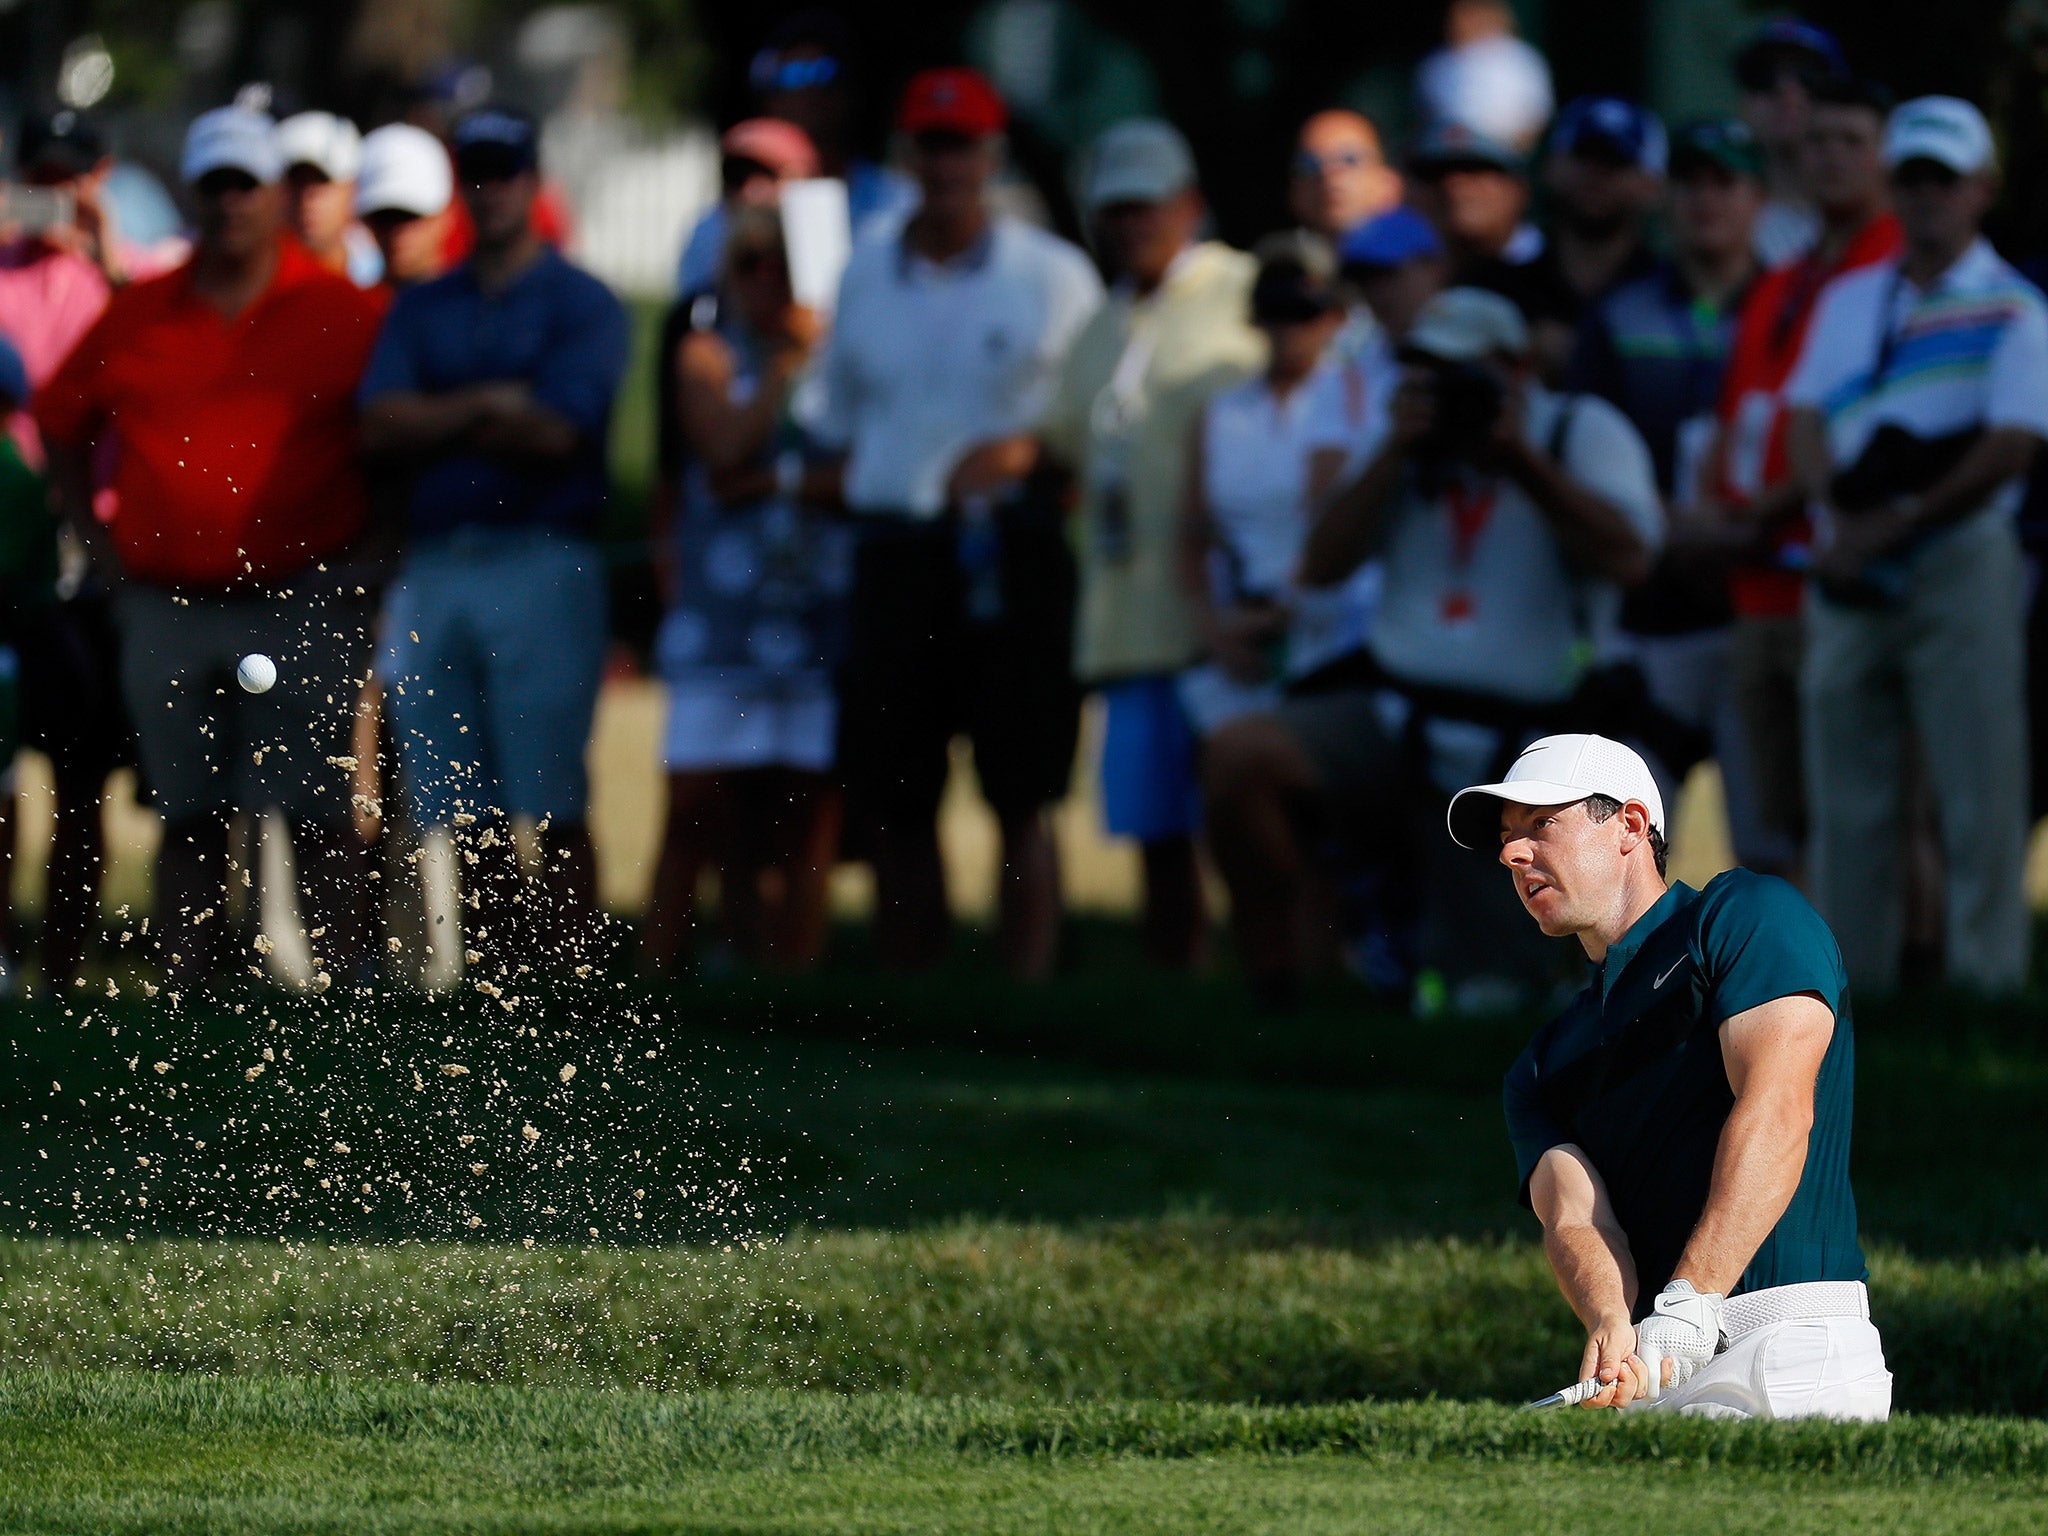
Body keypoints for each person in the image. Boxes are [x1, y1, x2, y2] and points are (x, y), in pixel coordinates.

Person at [1204, 289, 1660, 1011]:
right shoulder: (1406, 442)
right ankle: (1284, 983)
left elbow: (1631, 560)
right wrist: (1392, 452)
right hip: (1393, 716)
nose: (1443, 393)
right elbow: (1321, 566)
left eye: (1462, 375)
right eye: (1426, 373)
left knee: (1493, 998)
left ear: (1516, 368)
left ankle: (1457, 961)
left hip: (1529, 744)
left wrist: (1519, 458)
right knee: (1238, 758)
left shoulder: (1578, 429)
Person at [35, 105, 386, 986]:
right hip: (167, 597)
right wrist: (98, 540)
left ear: (274, 195)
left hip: (301, 590)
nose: (233, 203)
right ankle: (191, 986)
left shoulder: (343, 309)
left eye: (248, 185)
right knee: (187, 809)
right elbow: (62, 421)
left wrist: (376, 552)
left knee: (315, 808)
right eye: (217, 186)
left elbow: (395, 442)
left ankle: (337, 992)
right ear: (198, 195)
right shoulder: (143, 310)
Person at [1449, 732, 1890, 1421]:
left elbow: (1778, 1108)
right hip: (1662, 1363)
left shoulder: (1745, 915)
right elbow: (1575, 1217)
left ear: (1629, 825)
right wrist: (1610, 1323)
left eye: (1541, 826)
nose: (1512, 853)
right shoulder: (1541, 1064)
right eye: (1507, 838)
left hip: (1793, 1346)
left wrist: (1690, 1301)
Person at [808, 67, 1101, 977]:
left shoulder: (1051, 274)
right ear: (906, 155)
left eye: (961, 145)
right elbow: (830, 415)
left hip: (1009, 545)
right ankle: (915, 982)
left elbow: (1092, 423)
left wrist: (1020, 454)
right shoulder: (864, 266)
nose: (946, 165)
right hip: (897, 545)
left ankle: (1027, 984)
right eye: (931, 145)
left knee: (1020, 784)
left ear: (991, 155)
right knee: (896, 785)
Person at [1784, 97, 2048, 996]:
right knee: (1847, 797)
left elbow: (2011, 447)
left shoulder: (2016, 308)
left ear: (1982, 189)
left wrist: (1889, 524)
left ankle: (1987, 982)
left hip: (1960, 557)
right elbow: (1807, 420)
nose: (1927, 195)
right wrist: (1834, 512)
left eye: (1945, 178)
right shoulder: (1851, 297)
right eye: (1912, 177)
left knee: (1979, 788)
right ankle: (1850, 990)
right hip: (1851, 563)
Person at [361, 106, 630, 967]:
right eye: (476, 172)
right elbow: (379, 426)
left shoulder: (583, 302)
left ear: (532, 179)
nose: (492, 189)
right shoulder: (426, 304)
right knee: (456, 800)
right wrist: (491, 402)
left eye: (505, 171)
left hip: (541, 555)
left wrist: (441, 415)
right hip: (440, 560)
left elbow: (561, 432)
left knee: (549, 792)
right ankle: (499, 979)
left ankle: (567, 973)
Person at [1040, 119, 1260, 969]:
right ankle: (1179, 978)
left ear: (1190, 204)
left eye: (1147, 206)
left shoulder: (1242, 288)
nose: (1131, 224)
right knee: (1153, 822)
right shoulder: (1102, 322)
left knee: (1238, 811)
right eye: (1115, 210)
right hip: (1127, 615)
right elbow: (1062, 439)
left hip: (1222, 614)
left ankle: (1269, 975)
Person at [644, 205, 849, 973]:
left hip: (815, 616)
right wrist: (786, 370)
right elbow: (722, 442)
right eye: (751, 262)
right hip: (721, 621)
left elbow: (861, 475)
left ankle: (787, 979)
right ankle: (658, 984)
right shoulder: (706, 352)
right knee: (695, 807)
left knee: (804, 814)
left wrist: (768, 481)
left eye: (784, 263)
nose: (768, 279)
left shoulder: (843, 358)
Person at [1706, 76, 1901, 877]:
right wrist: (1721, 510)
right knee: (1776, 818)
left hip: (1834, 566)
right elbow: (1737, 412)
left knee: (1868, 805)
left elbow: (1857, 425)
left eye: (1852, 141)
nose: (1830, 158)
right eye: (1818, 141)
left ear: (1884, 157)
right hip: (1755, 577)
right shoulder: (1782, 278)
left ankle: (1922, 990)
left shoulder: (1894, 264)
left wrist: (1760, 510)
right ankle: (1795, 988)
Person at [1568, 119, 1765, 858]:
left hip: (1761, 607)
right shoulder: (1618, 314)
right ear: (1665, 198)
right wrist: (1662, 521)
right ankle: (1619, 980)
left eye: (1726, 182)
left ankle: (1783, 978)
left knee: (1773, 846)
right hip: (1648, 616)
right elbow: (1581, 451)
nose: (1706, 200)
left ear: (1758, 198)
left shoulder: (1792, 307)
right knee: (1623, 852)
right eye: (1689, 183)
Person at [0, 108, 130, 988]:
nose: (54, 196)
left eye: (69, 178)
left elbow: (167, 351)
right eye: (39, 178)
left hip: (98, 554)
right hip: (13, 548)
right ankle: (5, 957)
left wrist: (107, 252)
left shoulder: (126, 276)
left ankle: (63, 968)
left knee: (85, 780)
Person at [1178, 234, 1354, 739]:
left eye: (1306, 309)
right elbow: (1191, 534)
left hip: (1333, 637)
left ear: (1335, 316)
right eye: (1274, 309)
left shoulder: (1354, 397)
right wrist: (1214, 631)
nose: (1290, 327)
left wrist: (1288, 605)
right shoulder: (1218, 414)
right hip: (1240, 642)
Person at [676, 10, 916, 294]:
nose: (809, 88)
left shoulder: (899, 206)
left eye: (825, 72)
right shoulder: (715, 229)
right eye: (790, 76)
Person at [1534, 98, 1664, 376]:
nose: (1597, 173)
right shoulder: (1501, 289)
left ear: (1652, 186)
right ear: (1550, 167)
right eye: (1584, 155)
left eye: (1617, 161)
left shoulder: (1680, 296)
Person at [1733, 18, 1848, 267]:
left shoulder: (1874, 216)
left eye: (1808, 76)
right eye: (1764, 77)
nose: (1786, 91)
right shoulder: (1722, 219)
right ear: (1744, 102)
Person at [1414, 0, 1555, 154]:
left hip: (1503, 152)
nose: (1462, 21)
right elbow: (1425, 117)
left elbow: (1536, 117)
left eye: (1470, 13)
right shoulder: (1435, 63)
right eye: (1458, 14)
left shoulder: (1521, 58)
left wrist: (1510, 155)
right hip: (1448, 153)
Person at [277, 110, 381, 287]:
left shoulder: (384, 276)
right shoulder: (247, 283)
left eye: (322, 181)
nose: (308, 197)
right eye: (296, 182)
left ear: (352, 187)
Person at [354, 122, 457, 292]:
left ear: (446, 216)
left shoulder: (482, 308)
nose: (397, 231)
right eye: (384, 217)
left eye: (411, 215)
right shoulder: (348, 310)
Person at [1287, 111, 1402, 243]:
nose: (1329, 174)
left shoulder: (1420, 256)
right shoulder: (1272, 259)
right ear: (1294, 191)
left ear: (1389, 183)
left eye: (1349, 159)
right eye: (1309, 164)